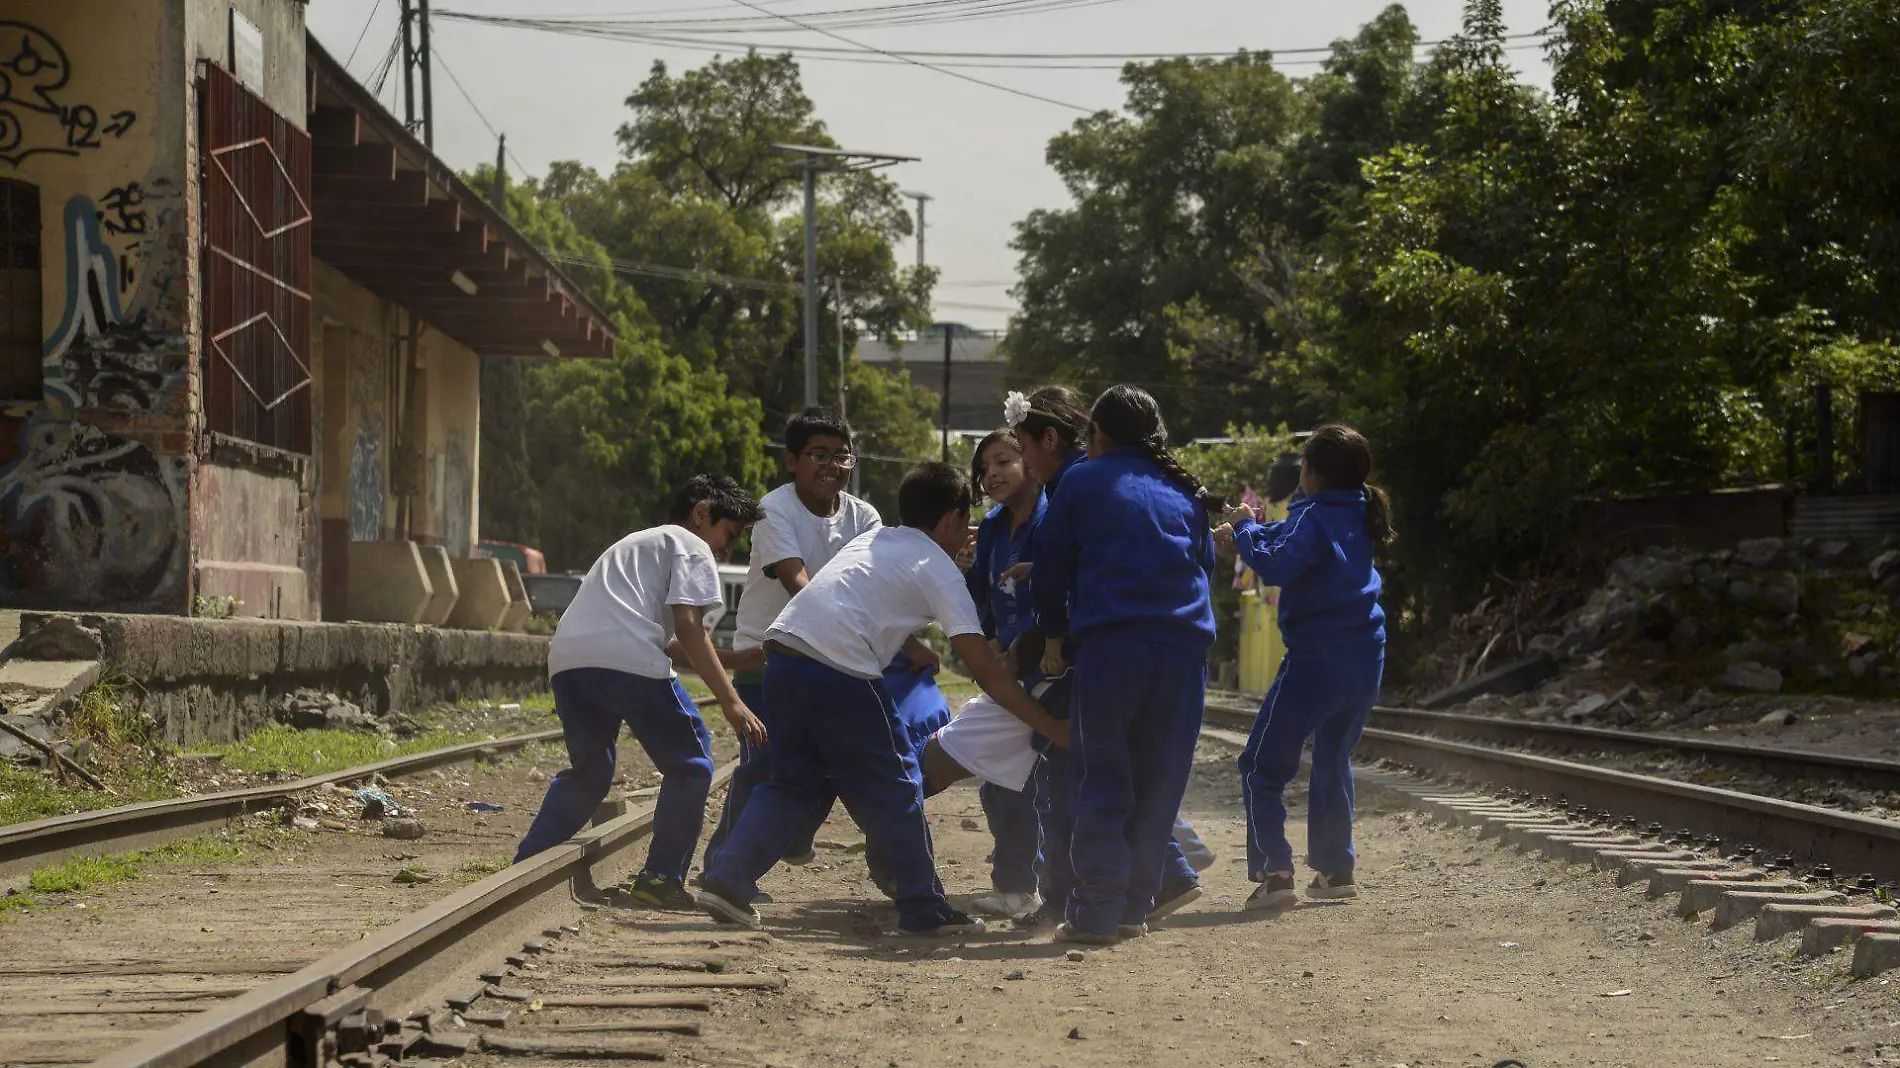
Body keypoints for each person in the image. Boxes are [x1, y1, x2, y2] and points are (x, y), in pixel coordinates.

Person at [697, 463, 1068, 936]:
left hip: (783, 656)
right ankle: (923, 906)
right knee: (898, 782)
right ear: (953, 520)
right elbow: (987, 671)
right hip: (838, 667)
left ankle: (727, 877)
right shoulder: (938, 568)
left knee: (792, 781)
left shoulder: (872, 541)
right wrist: (1049, 726)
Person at [514, 476, 769, 910]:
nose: (727, 549)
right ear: (702, 514)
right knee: (691, 764)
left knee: (590, 773)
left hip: (570, 662)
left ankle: (526, 866)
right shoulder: (689, 544)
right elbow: (689, 629)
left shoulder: (635, 543)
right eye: (729, 534)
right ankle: (661, 878)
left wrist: (733, 662)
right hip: (627, 658)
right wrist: (732, 701)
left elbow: (671, 642)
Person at [703, 408, 936, 877]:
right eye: (818, 455)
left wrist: (912, 645)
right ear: (792, 461)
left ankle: (794, 840)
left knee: (833, 761)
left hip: (837, 662)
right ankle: (722, 866)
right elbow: (801, 586)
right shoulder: (776, 511)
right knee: (767, 761)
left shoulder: (864, 517)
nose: (831, 465)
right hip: (770, 658)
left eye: (841, 455)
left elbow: (875, 590)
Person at [1034, 385, 1221, 945]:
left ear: (1097, 436)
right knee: (1159, 784)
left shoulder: (1081, 481)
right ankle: (1133, 910)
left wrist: (1052, 631)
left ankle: (1095, 913)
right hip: (1185, 650)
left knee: (1105, 777)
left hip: (1114, 648)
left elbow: (1050, 568)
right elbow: (1203, 566)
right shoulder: (1183, 491)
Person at [1218, 424, 1392, 910]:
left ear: (1312, 474)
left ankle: (1275, 874)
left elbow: (1277, 562)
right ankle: (1337, 869)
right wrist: (1246, 528)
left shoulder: (1313, 514)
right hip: (1366, 656)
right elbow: (1285, 538)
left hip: (1317, 659)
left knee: (1260, 764)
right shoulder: (1360, 511)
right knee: (1333, 758)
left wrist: (1246, 527)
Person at [936, 428, 1047, 921]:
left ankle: (1172, 862)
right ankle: (1019, 885)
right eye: (984, 469)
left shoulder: (1055, 516)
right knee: (1007, 781)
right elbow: (980, 600)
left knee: (1035, 780)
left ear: (1032, 457)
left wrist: (1026, 641)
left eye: (1003, 461)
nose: (992, 474)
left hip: (1047, 667)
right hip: (1010, 671)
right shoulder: (995, 528)